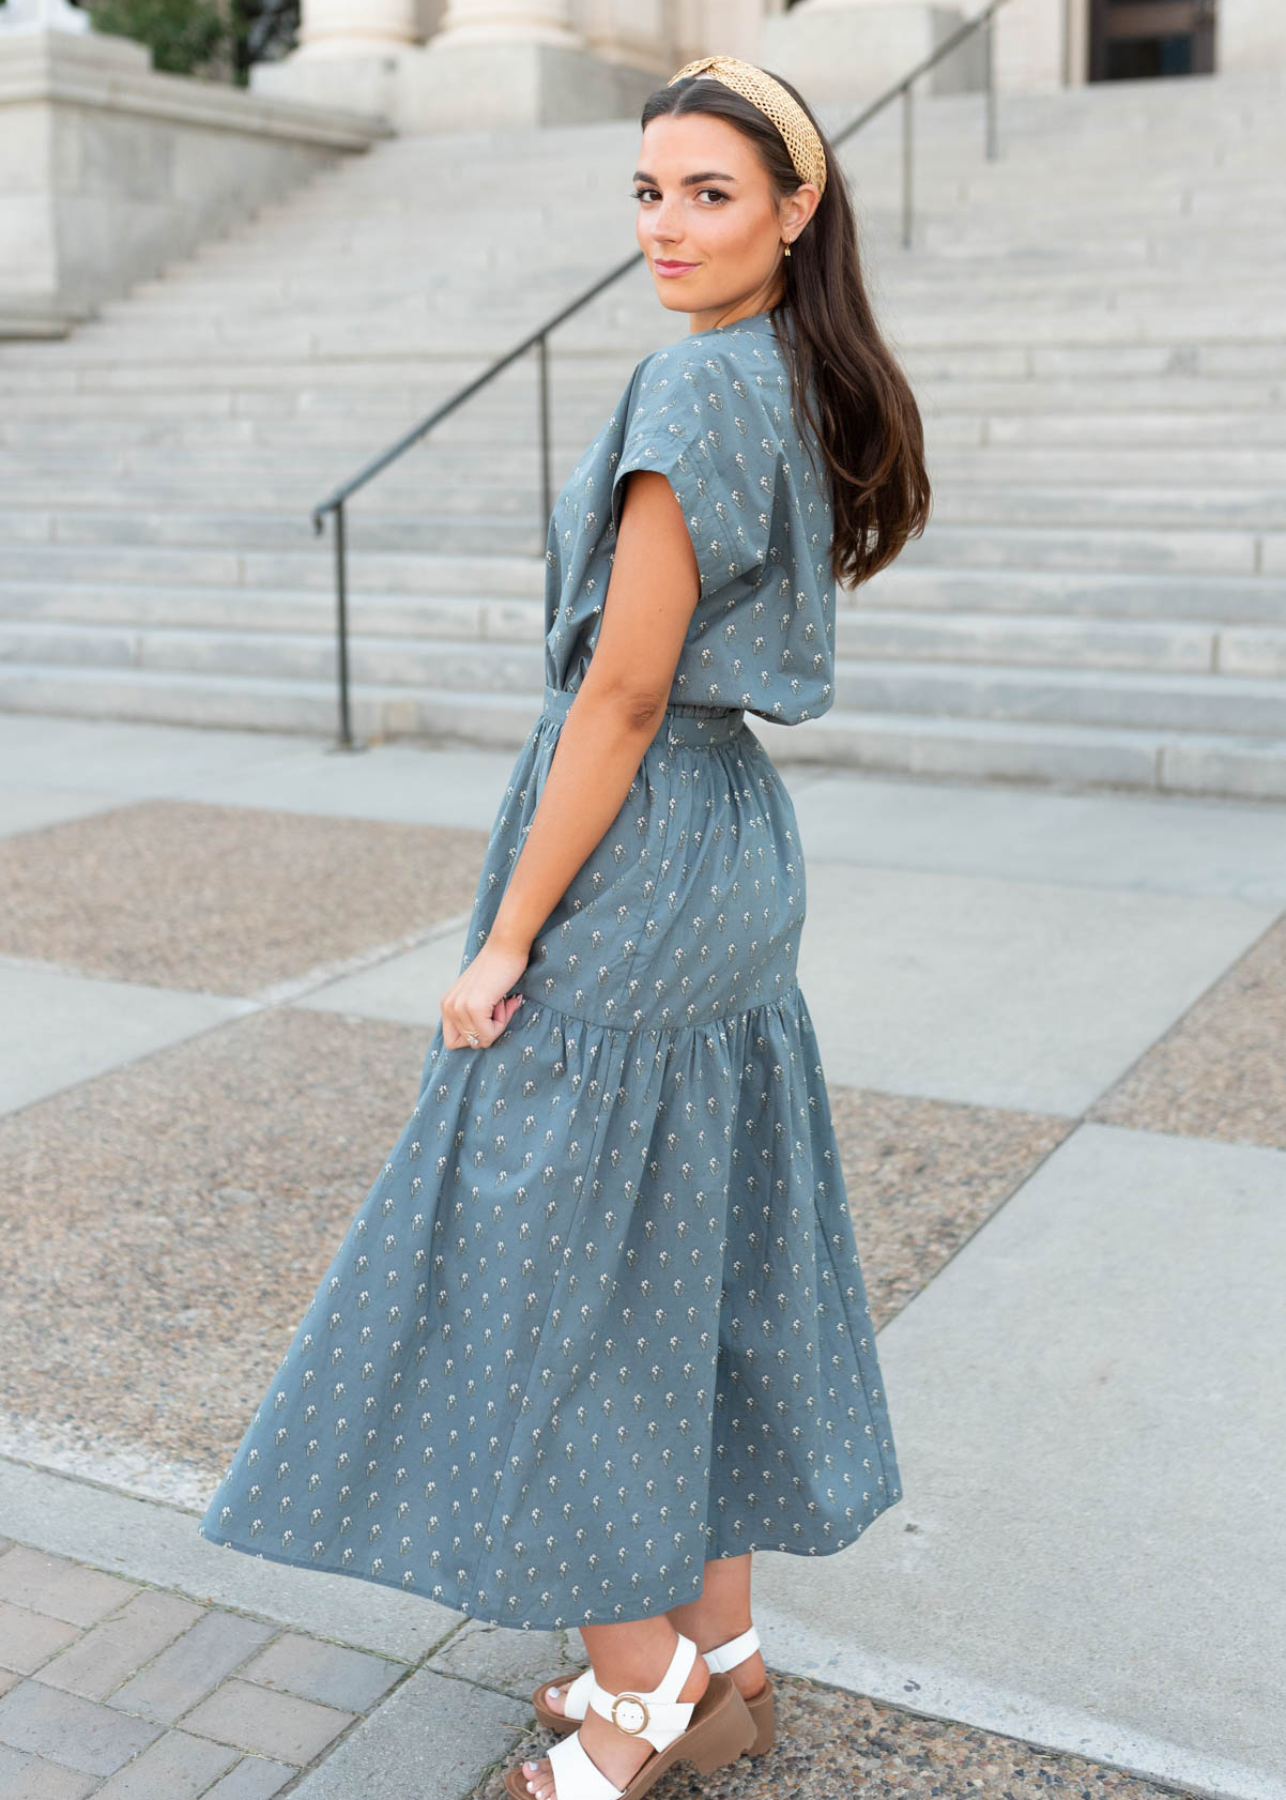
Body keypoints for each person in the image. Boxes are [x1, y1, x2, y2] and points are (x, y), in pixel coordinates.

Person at [198, 50, 930, 1800]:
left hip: (640, 849)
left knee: (559, 1284)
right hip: (731, 847)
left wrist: (509, 933)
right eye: (647, 191)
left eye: (710, 193)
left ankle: (640, 1693)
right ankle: (729, 1665)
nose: (666, 227)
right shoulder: (795, 371)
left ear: (794, 209)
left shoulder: (693, 394)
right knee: (696, 1246)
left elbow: (617, 694)